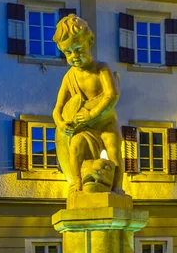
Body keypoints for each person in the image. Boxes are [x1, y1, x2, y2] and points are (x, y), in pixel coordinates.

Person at [52, 14, 124, 194]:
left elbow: (112, 95)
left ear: (89, 42)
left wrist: (92, 115)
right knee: (75, 145)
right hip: (84, 128)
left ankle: (117, 188)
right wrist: (61, 124)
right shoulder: (69, 77)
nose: (74, 56)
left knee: (114, 152)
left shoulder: (101, 68)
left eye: (78, 49)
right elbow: (57, 109)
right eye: (68, 52)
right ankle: (77, 182)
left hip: (106, 124)